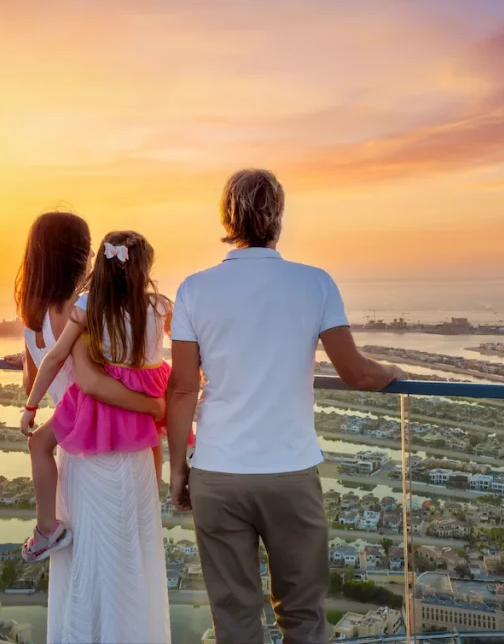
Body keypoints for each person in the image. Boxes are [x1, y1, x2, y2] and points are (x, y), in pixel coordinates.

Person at [166, 169, 405, 643]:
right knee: (302, 616)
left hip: (218, 471)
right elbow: (356, 373)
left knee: (234, 620)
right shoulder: (314, 284)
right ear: (277, 217)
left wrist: (179, 468)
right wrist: (395, 373)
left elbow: (181, 389)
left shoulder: (194, 288)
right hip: (290, 472)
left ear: (226, 218)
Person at [14, 213, 170, 643]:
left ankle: (47, 532)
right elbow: (93, 383)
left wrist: (28, 391)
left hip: (73, 454)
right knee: (124, 569)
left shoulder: (31, 318)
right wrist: (155, 404)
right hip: (114, 445)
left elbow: (36, 382)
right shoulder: (89, 308)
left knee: (82, 572)